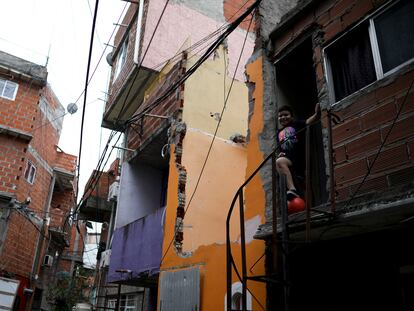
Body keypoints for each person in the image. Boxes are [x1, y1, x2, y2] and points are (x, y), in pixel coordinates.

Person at [276, 103, 321, 200]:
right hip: (288, 159)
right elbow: (281, 147)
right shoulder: (278, 132)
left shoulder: (297, 124)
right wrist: (280, 153)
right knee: (280, 161)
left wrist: (317, 114)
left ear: (291, 116)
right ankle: (292, 189)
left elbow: (309, 121)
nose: (283, 117)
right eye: (280, 116)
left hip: (300, 159)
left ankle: (309, 206)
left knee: (304, 184)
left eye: (286, 115)